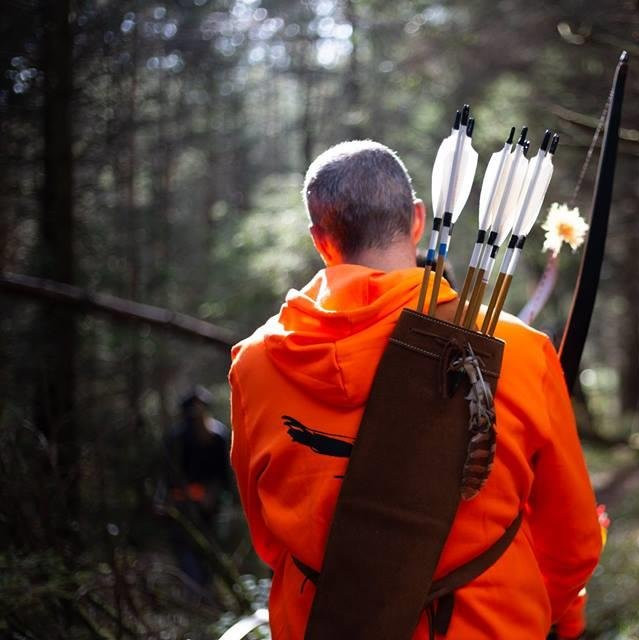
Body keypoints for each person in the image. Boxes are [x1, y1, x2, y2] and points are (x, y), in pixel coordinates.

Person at [229, 140, 602, 639]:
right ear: (419, 220)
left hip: (323, 624)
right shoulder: (517, 349)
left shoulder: (255, 365)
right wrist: (554, 615)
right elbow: (573, 543)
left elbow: (269, 538)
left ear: (320, 240)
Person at [164, 386, 230, 586]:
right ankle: (193, 592)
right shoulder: (176, 437)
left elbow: (223, 472)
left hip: (209, 506)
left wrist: (214, 496)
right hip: (182, 504)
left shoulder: (218, 435)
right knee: (186, 550)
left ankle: (205, 592)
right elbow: (168, 472)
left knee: (208, 551)